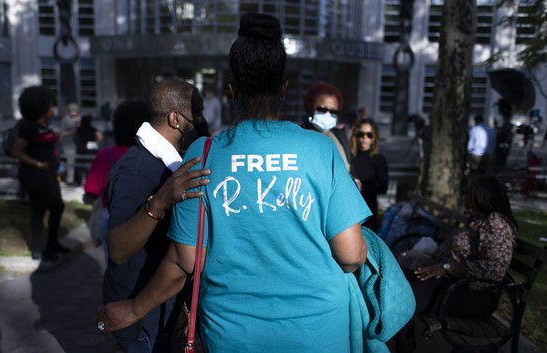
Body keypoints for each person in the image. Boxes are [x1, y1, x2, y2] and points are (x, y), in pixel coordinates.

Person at [97, 13, 370, 353]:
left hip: (234, 335)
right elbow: (350, 254)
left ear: (231, 91)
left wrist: (135, 308)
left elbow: (185, 261)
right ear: (284, 88)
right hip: (318, 333)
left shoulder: (204, 152)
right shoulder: (319, 149)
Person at [102, 79, 209, 353]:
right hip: (139, 317)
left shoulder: (169, 164)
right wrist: (159, 202)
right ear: (175, 118)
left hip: (157, 309)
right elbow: (118, 249)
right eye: (196, 112)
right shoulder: (137, 171)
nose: (200, 120)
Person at [393, 175, 517, 353]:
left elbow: (493, 270)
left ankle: (404, 348)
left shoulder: (496, 223)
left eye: (468, 192)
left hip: (476, 295)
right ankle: (405, 346)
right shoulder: (479, 220)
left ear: (479, 197)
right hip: (455, 284)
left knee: (403, 300)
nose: (464, 196)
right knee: (397, 281)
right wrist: (431, 259)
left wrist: (447, 268)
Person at [83, 100, 151, 262]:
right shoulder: (152, 157)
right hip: (147, 218)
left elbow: (91, 190)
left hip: (111, 219)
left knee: (114, 267)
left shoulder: (105, 155)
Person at [12, 86, 69, 261]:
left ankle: (52, 243)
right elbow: (17, 151)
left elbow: (51, 140)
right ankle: (39, 249)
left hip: (48, 175)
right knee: (40, 210)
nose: (53, 109)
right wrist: (38, 164)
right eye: (51, 106)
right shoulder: (28, 127)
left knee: (57, 207)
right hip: (35, 176)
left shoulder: (42, 125)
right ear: (41, 107)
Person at [302, 82, 359, 185]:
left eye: (333, 112)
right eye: (321, 109)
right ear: (309, 108)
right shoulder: (298, 137)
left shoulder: (341, 137)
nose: (327, 115)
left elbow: (351, 171)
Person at [349, 118, 389, 232]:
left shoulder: (378, 159)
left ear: (374, 137)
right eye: (360, 134)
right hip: (350, 207)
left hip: (368, 208)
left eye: (369, 135)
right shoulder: (350, 157)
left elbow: (383, 187)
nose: (364, 138)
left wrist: (363, 187)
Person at [74, 113, 103, 186]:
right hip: (89, 150)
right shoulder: (92, 129)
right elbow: (100, 137)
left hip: (81, 149)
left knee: (80, 167)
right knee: (88, 167)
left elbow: (75, 137)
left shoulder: (79, 129)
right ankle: (87, 182)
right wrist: (93, 144)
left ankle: (78, 182)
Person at [59, 102, 80, 185]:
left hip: (78, 144)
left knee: (78, 162)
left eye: (75, 111)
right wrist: (73, 132)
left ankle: (79, 179)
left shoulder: (79, 119)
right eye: (72, 111)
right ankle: (70, 180)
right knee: (70, 162)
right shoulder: (66, 119)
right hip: (68, 144)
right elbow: (62, 133)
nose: (74, 113)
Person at [494, 99, 514, 168]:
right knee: (501, 154)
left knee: (501, 154)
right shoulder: (503, 122)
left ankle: (501, 164)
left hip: (504, 140)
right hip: (502, 140)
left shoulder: (507, 124)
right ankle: (500, 164)